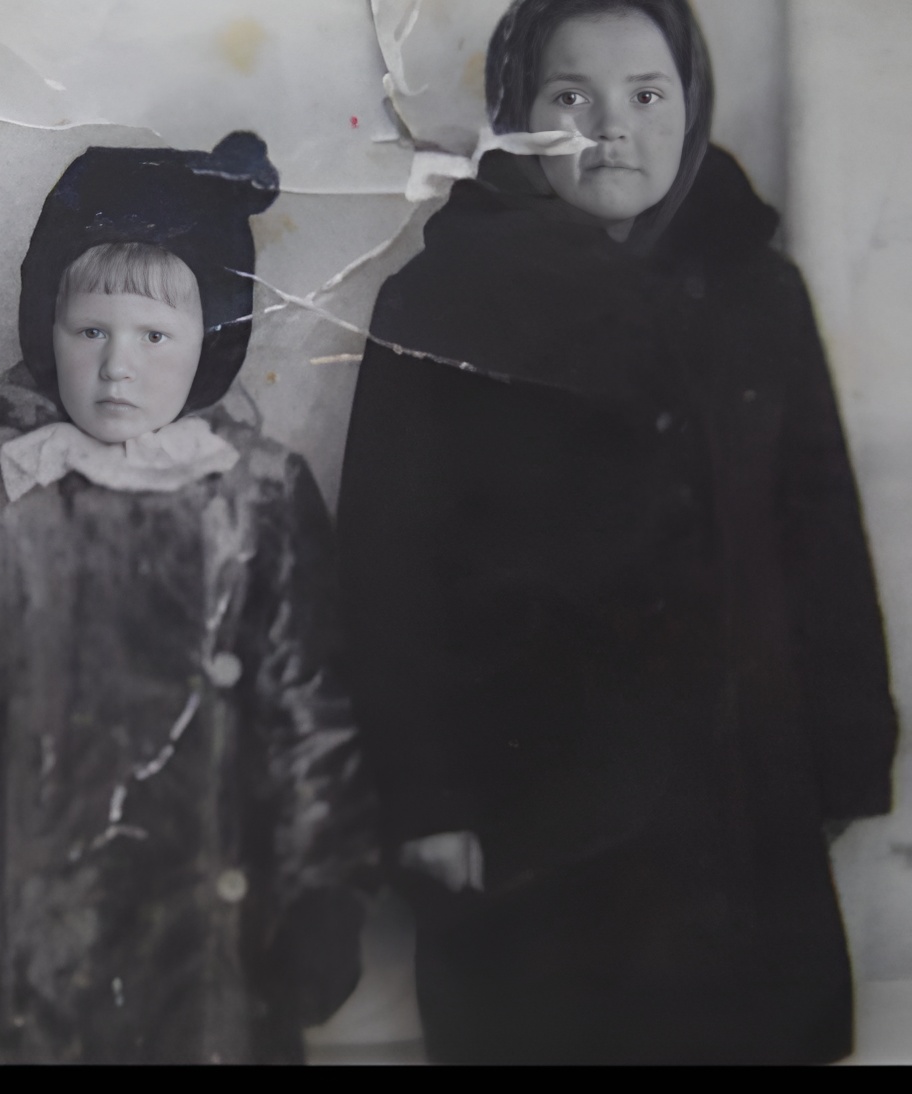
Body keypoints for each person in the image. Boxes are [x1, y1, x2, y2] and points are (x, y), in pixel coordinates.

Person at [339, 0, 899, 1065]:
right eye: (571, 95)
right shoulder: (439, 301)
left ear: (692, 103)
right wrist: (425, 799)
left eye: (647, 94)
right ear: (519, 112)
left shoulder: (758, 293)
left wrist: (844, 757)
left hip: (739, 810)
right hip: (532, 820)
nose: (612, 127)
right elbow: (387, 574)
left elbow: (821, 536)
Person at [0, 133, 379, 1064]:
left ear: (210, 340)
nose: (117, 367)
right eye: (90, 331)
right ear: (45, 329)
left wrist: (323, 887)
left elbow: (308, 705)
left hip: (212, 941)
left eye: (154, 336)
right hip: (22, 936)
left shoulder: (256, 494)